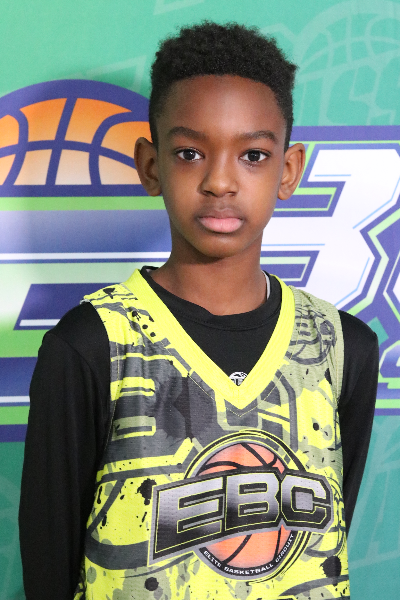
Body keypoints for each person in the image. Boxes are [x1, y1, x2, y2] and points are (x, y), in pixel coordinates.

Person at [20, 21, 378, 600]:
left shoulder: (343, 347)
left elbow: (328, 535)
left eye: (253, 155)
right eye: (190, 153)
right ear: (151, 164)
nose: (219, 181)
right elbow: (48, 563)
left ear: (288, 171)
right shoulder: (92, 344)